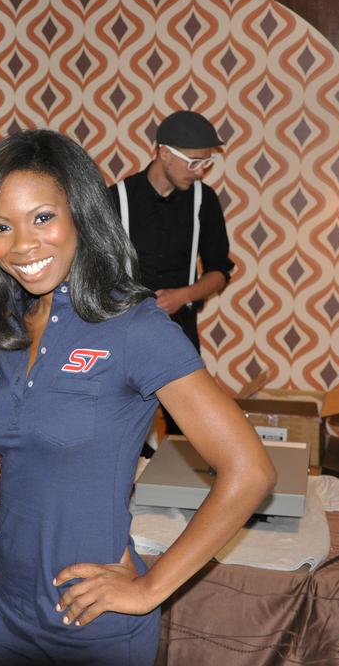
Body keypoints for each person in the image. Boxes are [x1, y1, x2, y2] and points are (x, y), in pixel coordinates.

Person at [0, 129, 276, 665]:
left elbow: (250, 473)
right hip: (2, 612)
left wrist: (150, 588)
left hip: (90, 626)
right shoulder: (14, 323)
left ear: (81, 215)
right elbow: (24, 461)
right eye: (1, 226)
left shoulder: (135, 327)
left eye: (42, 218)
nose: (22, 245)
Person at [109, 110, 235, 440]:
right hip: (125, 333)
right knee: (121, 424)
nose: (200, 171)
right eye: (193, 162)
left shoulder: (204, 200)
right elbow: (95, 272)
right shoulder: (117, 198)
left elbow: (220, 271)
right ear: (164, 152)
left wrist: (183, 295)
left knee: (189, 428)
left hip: (179, 331)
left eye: (206, 163)